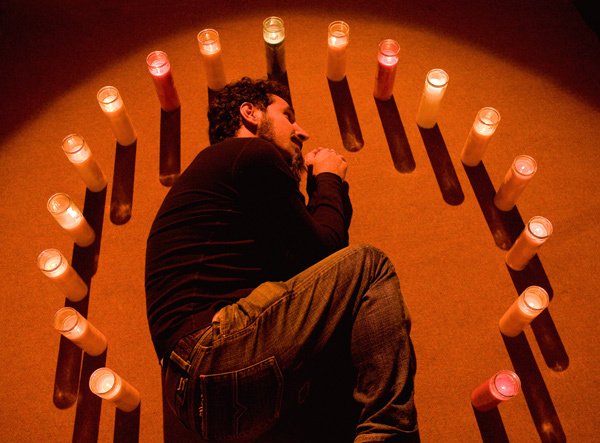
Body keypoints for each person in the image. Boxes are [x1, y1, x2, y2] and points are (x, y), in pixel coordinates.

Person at [145, 77, 419, 442]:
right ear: (250, 113)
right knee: (370, 265)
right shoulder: (249, 152)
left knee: (338, 368)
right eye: (288, 115)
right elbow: (324, 252)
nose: (301, 131)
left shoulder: (226, 186)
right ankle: (390, 434)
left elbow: (304, 272)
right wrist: (328, 180)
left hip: (197, 402)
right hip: (212, 351)